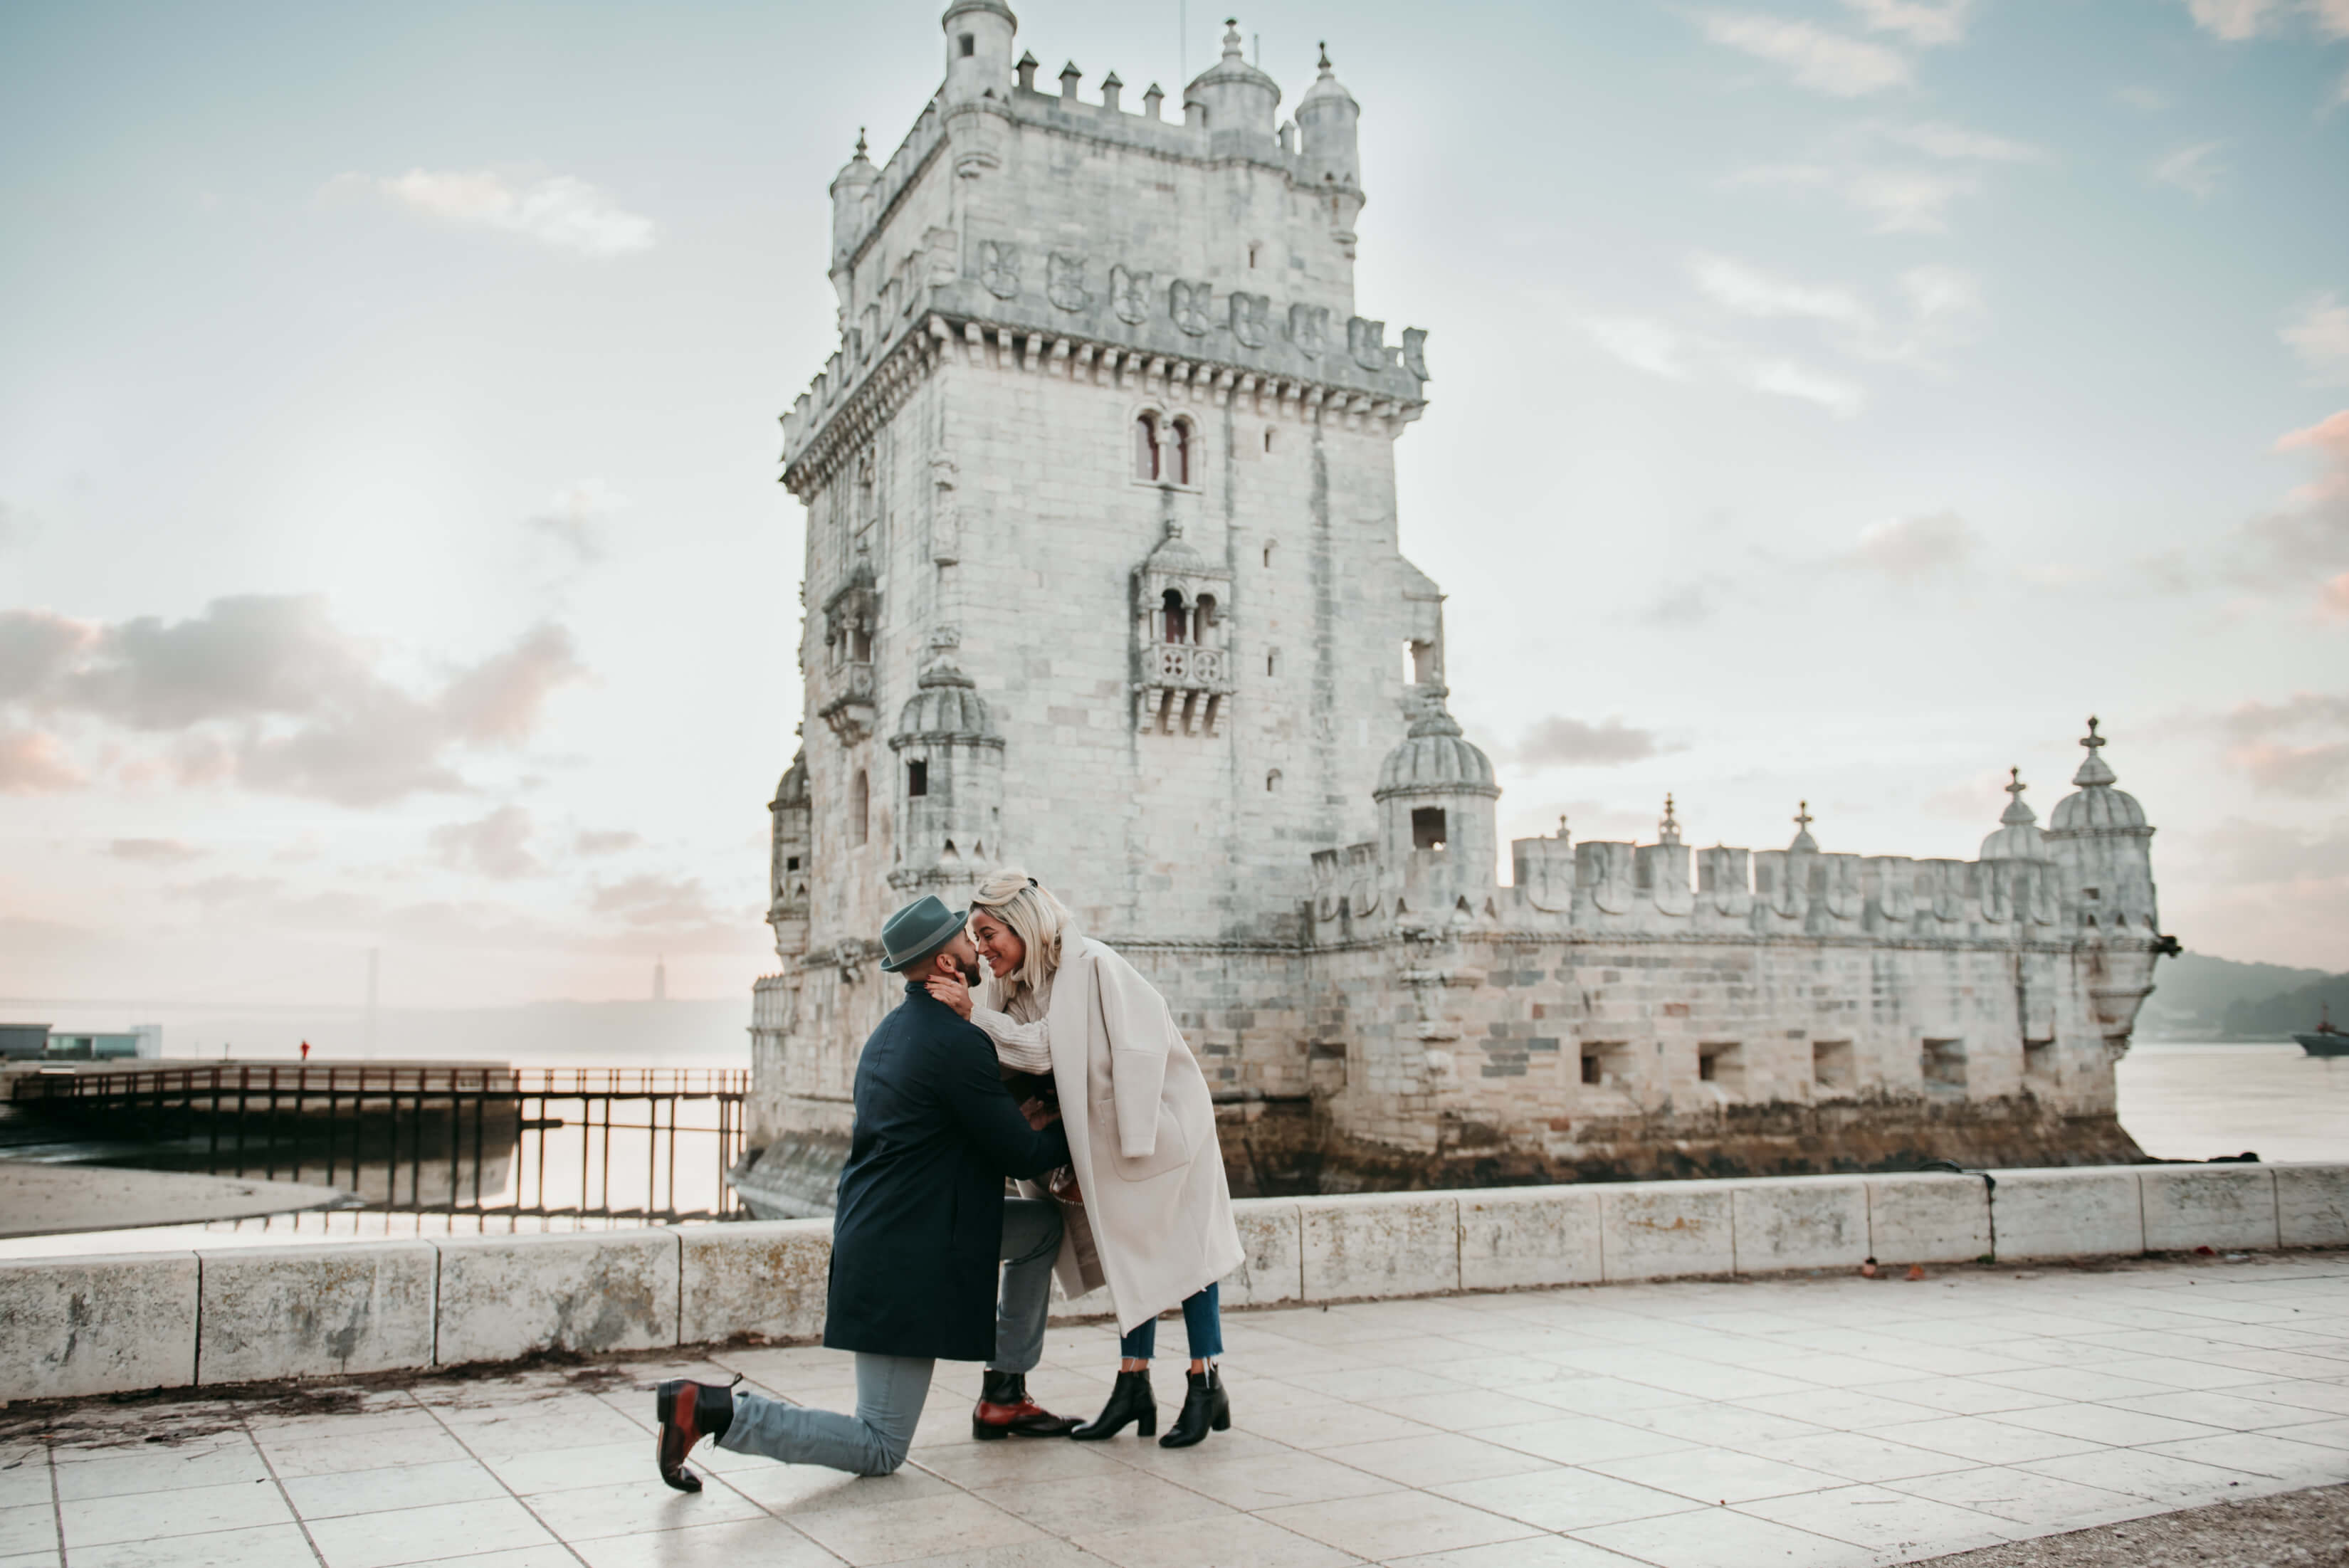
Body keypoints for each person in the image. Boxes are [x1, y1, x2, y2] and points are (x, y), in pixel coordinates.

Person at [653, 894, 1082, 1491]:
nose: (976, 946)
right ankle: (712, 1410)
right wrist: (1082, 1121)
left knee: (1040, 1231)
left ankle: (1005, 1389)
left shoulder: (891, 1034)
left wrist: (1015, 1123)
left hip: (892, 1231)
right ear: (945, 964)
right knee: (880, 1445)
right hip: (908, 1258)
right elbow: (1025, 1156)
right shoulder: (958, 1044)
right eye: (966, 938)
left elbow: (946, 1130)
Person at [926, 870, 1244, 1448]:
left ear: (1022, 921)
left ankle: (1205, 1380)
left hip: (1159, 1123)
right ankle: (1133, 1383)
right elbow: (1034, 1068)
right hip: (1112, 1132)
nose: (982, 948)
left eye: (989, 932)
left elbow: (1053, 1046)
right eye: (976, 937)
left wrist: (973, 1017)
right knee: (1133, 1250)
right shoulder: (1014, 987)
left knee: (1186, 1248)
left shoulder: (1091, 964)